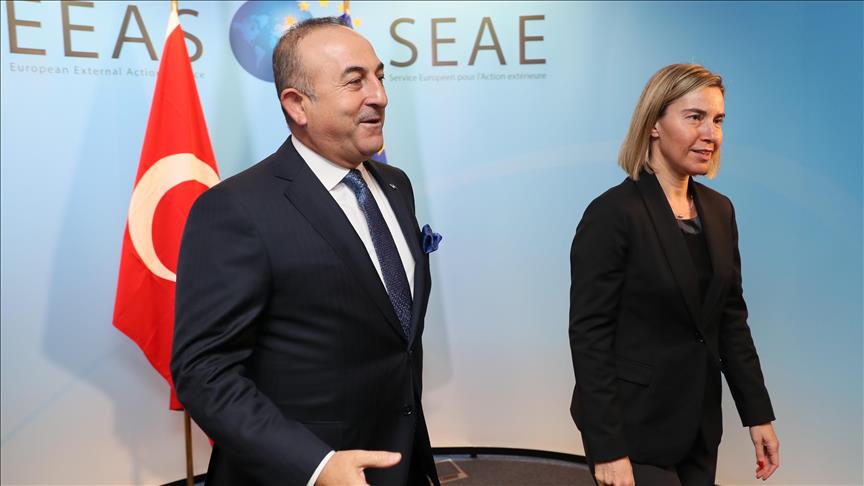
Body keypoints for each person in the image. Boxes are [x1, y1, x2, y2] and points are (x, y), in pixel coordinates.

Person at [171, 17, 439, 486]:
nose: (379, 95)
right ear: (297, 105)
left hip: (402, 461)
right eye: (355, 81)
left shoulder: (396, 186)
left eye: (380, 76)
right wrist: (316, 466)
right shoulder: (236, 208)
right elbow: (204, 371)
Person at [568, 64, 780, 486]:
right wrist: (607, 448)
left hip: (699, 427)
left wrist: (758, 414)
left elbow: (731, 321)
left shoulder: (720, 211)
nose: (710, 134)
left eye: (718, 120)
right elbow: (589, 338)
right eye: (695, 117)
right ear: (654, 125)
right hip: (632, 431)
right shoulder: (612, 214)